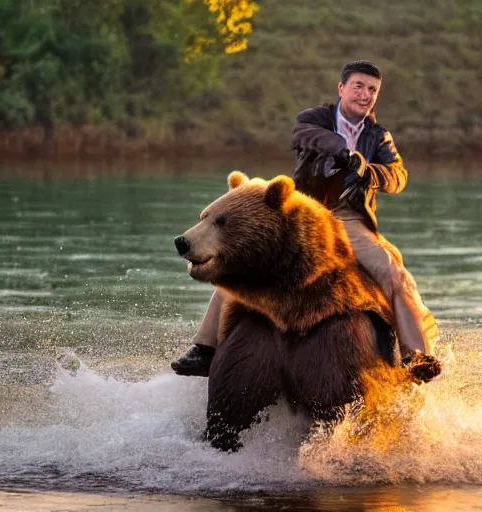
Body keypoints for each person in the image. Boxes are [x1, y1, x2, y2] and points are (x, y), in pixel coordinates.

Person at [171, 60, 439, 377]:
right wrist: (342, 150)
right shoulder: (314, 119)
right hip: (303, 214)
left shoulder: (379, 137)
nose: (365, 94)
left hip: (348, 219)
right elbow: (308, 136)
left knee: (393, 271)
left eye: (372, 90)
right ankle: (204, 347)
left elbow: (398, 176)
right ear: (342, 89)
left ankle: (416, 355)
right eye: (359, 86)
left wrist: (367, 170)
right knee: (241, 258)